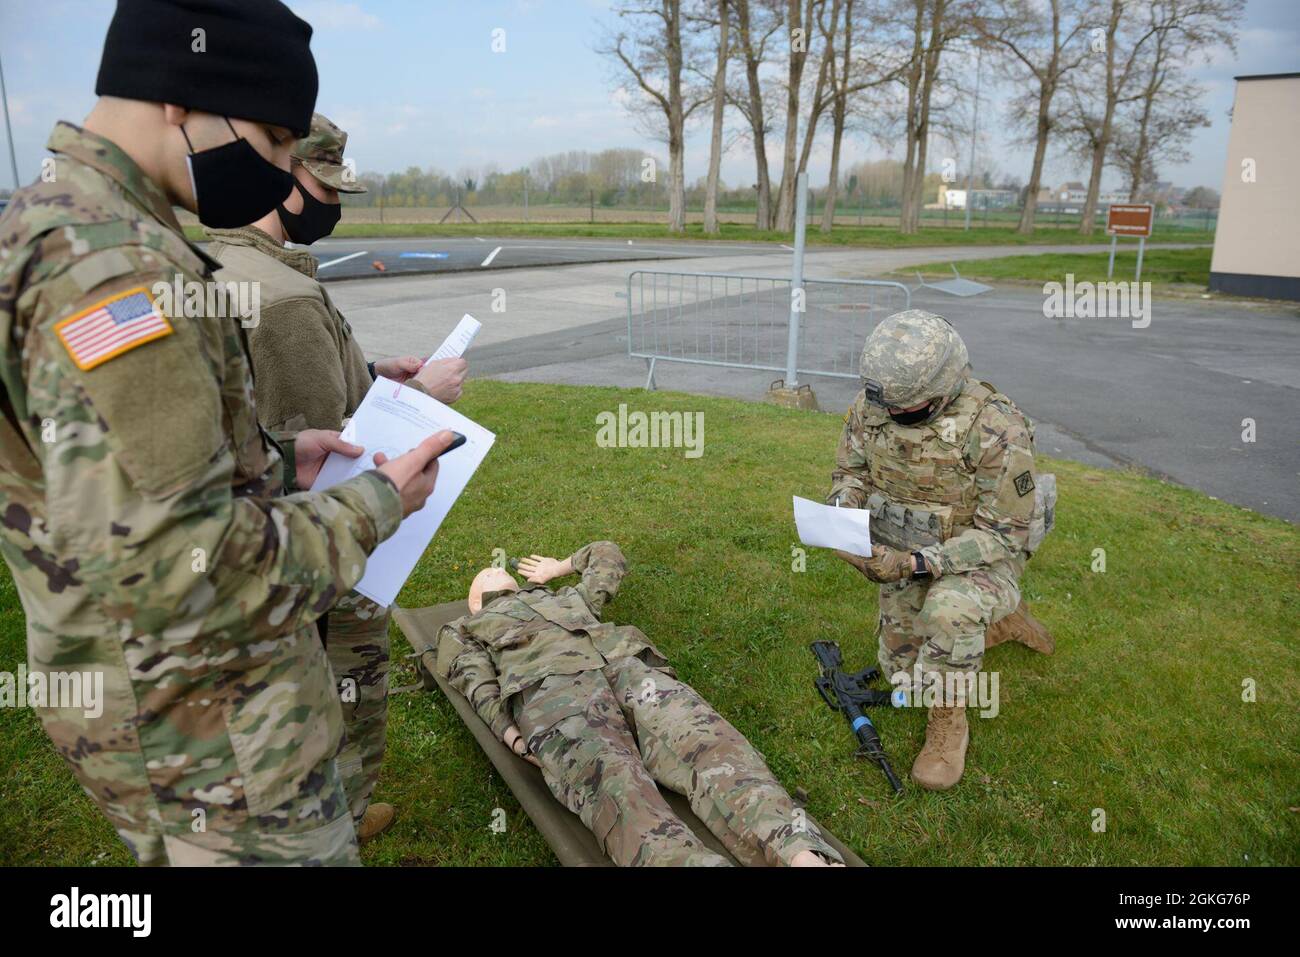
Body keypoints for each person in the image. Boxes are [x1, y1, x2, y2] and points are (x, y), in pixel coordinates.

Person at [0, 0, 453, 865]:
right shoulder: (118, 271)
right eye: (278, 140)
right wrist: (374, 502)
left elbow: (113, 487)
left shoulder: (60, 223)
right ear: (184, 98)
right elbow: (181, 570)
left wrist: (279, 457)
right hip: (214, 745)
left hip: (171, 715)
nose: (285, 170)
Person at [205, 112, 468, 842]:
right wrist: (421, 399)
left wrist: (376, 371)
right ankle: (339, 816)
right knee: (340, 687)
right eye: (324, 185)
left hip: (248, 544)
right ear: (283, 176)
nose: (333, 205)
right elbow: (332, 450)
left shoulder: (227, 264)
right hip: (320, 551)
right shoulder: (285, 299)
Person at [435, 542, 844, 867]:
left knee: (714, 745)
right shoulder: (467, 626)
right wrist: (513, 738)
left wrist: (556, 569)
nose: (496, 576)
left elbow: (606, 552)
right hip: (554, 696)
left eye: (502, 576)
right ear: (475, 603)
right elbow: (477, 682)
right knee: (618, 787)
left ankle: (802, 854)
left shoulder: (569, 597)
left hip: (628, 669)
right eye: (488, 582)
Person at [828, 309, 1055, 791]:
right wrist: (843, 520)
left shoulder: (996, 427)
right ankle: (1001, 623)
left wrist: (916, 564)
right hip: (904, 546)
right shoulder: (876, 405)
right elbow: (851, 474)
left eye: (910, 411)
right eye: (891, 408)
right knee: (903, 679)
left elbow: (1003, 535)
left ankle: (949, 727)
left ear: (947, 385)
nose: (895, 418)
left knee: (949, 613)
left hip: (982, 555)